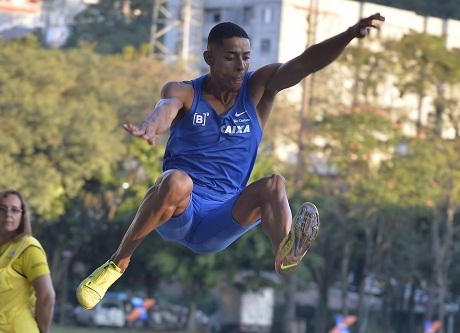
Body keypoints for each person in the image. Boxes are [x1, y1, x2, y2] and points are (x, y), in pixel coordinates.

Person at [77, 13, 385, 309]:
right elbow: (165, 109)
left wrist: (348, 35)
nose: (241, 66)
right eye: (230, 57)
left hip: (224, 215)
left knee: (275, 184)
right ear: (209, 58)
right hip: (179, 210)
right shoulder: (184, 92)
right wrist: (150, 127)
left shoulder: (258, 89)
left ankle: (285, 253)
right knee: (176, 180)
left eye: (246, 57)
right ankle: (117, 262)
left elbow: (304, 63)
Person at [0, 189, 55, 333]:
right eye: (2, 209)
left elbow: (47, 296)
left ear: (23, 215)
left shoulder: (29, 248)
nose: (8, 214)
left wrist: (42, 330)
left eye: (15, 210)